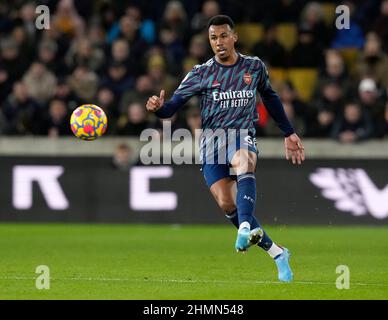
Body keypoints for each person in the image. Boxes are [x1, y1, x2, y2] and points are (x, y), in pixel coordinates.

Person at [145, 15, 305, 282]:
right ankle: (277, 253)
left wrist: (289, 133)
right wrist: (159, 109)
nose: (218, 42)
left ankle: (243, 227)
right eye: (213, 38)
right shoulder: (201, 73)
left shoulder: (254, 67)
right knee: (226, 203)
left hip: (242, 134)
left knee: (244, 159)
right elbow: (172, 107)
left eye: (222, 36)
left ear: (234, 37)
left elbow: (271, 98)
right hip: (211, 142)